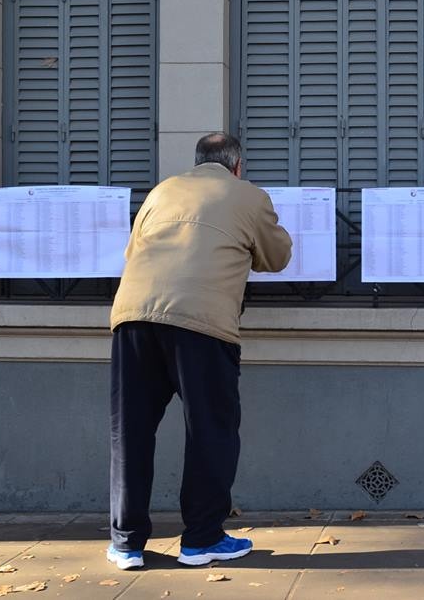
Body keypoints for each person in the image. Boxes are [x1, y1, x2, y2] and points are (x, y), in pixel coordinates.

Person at [106, 133, 292, 569]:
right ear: (237, 165)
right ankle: (202, 539)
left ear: (196, 163)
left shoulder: (162, 191)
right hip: (202, 322)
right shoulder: (247, 195)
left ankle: (126, 543)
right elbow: (277, 256)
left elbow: (133, 251)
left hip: (132, 316)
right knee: (211, 430)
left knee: (130, 431)